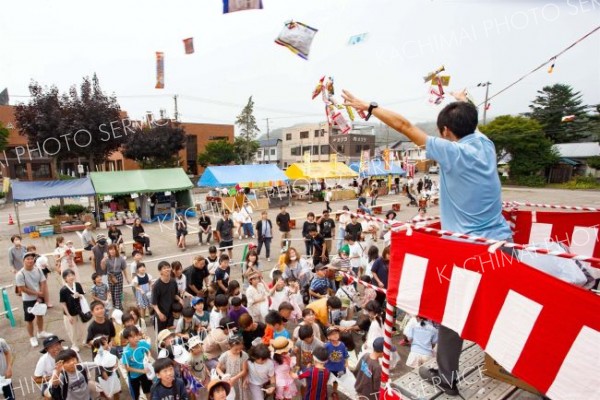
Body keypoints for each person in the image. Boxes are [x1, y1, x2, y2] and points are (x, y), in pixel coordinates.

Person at [342, 89, 513, 396]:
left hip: (470, 253)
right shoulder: (485, 145)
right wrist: (464, 101)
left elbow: (406, 126)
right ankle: (509, 362)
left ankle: (446, 377)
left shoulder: (454, 152)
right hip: (504, 246)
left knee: (452, 315)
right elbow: (469, 121)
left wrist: (369, 107)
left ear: (447, 132)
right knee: (500, 309)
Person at [16, 251, 53, 347]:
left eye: (32, 259)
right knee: (29, 319)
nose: (30, 260)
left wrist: (41, 294)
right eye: (27, 259)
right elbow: (22, 289)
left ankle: (40, 332)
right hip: (28, 299)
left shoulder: (38, 270)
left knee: (40, 315)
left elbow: (43, 282)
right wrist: (38, 293)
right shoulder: (20, 274)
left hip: (39, 296)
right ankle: (32, 337)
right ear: (23, 261)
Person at [59, 269, 87, 352]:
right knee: (72, 329)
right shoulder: (63, 290)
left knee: (83, 327)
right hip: (70, 313)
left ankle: (84, 341)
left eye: (72, 275)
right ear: (65, 279)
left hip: (79, 311)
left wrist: (79, 296)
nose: (71, 277)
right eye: (68, 276)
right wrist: (68, 315)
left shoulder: (77, 285)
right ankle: (74, 344)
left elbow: (82, 295)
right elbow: (63, 304)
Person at [122, 326, 153, 400]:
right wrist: (141, 371)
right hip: (134, 376)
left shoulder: (142, 343)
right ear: (127, 339)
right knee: (136, 395)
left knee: (148, 391)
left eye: (136, 335)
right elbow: (127, 368)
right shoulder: (126, 352)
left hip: (145, 373)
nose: (135, 338)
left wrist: (148, 357)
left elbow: (148, 350)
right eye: (132, 337)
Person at [152, 261, 183, 331]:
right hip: (161, 314)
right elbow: (154, 303)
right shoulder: (157, 286)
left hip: (171, 313)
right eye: (164, 268)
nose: (167, 269)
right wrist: (159, 314)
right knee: (161, 335)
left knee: (171, 334)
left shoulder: (173, 281)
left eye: (168, 267)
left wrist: (179, 299)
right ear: (160, 271)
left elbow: (174, 294)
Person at [216, 336, 249, 400]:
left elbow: (244, 370)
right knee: (230, 396)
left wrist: (235, 378)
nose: (238, 351)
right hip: (228, 380)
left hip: (239, 380)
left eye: (240, 349)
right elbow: (217, 368)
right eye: (236, 349)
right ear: (229, 346)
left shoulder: (244, 355)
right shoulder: (225, 355)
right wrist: (223, 375)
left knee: (239, 395)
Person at [102, 244, 130, 310]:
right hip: (110, 277)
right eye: (110, 249)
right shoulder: (107, 259)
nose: (112, 251)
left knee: (117, 293)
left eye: (113, 249)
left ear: (116, 250)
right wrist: (103, 261)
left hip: (118, 276)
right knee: (112, 293)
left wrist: (127, 278)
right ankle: (118, 306)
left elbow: (124, 269)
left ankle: (117, 308)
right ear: (108, 251)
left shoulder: (121, 258)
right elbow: (103, 268)